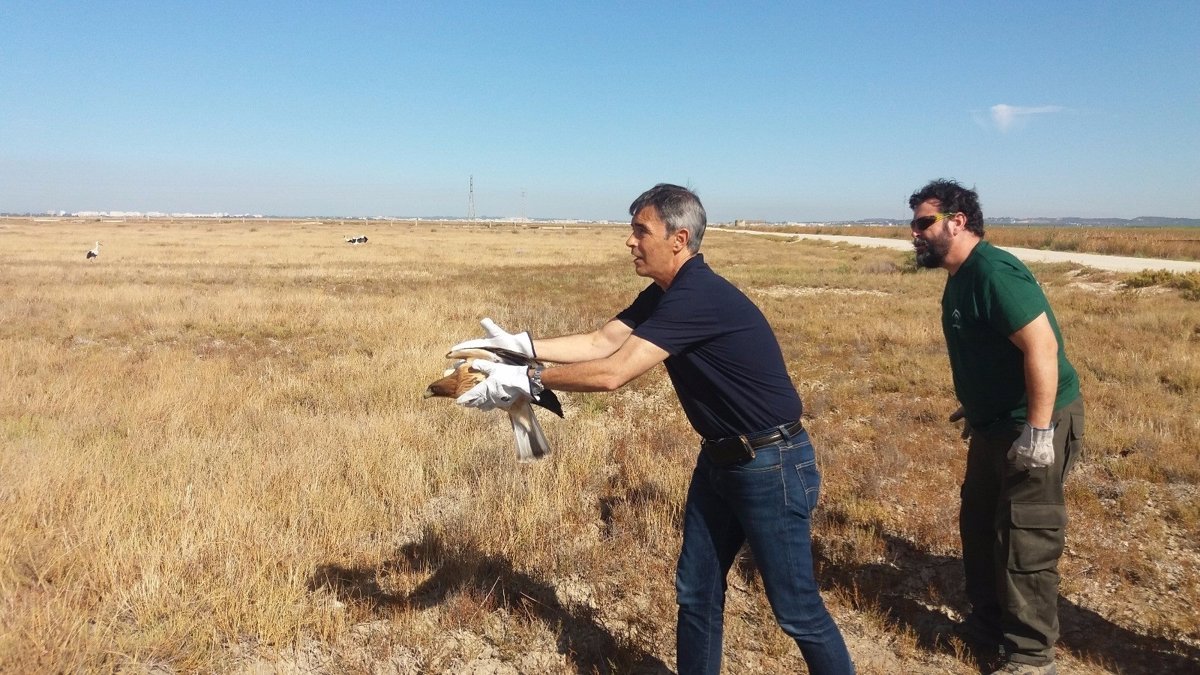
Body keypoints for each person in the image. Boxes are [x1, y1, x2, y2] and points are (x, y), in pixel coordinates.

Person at [450, 184, 855, 675]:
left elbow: (612, 372)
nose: (630, 241)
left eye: (641, 231)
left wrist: (527, 380)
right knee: (697, 592)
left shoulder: (696, 296)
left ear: (678, 239)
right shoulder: (666, 292)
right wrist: (521, 347)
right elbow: (601, 341)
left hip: (772, 464)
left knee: (797, 611)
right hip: (720, 459)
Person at [908, 179, 1084, 675]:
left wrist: (1039, 431)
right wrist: (977, 404)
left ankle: (1030, 655)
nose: (914, 234)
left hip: (1035, 421)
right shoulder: (959, 275)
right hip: (993, 424)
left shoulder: (994, 272)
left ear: (958, 222)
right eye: (913, 225)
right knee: (980, 526)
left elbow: (1042, 347)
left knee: (1025, 537)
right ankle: (987, 627)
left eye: (924, 223)